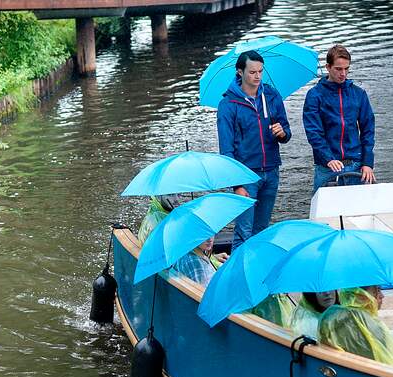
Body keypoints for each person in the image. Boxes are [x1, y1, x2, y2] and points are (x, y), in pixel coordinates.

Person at [217, 50, 292, 250]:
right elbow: (226, 150)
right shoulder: (227, 105)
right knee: (243, 232)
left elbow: (286, 132)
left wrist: (282, 132)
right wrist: (237, 185)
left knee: (262, 230)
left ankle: (257, 268)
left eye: (260, 71)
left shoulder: (272, 95)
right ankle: (238, 270)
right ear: (240, 72)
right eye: (252, 72)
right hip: (246, 176)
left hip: (271, 170)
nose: (257, 76)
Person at [303, 45, 376, 195]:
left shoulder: (359, 94)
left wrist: (368, 163)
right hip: (327, 167)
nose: (343, 73)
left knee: (359, 209)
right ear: (328, 67)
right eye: (338, 69)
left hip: (356, 165)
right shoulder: (314, 95)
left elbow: (368, 129)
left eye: (346, 69)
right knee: (326, 211)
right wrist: (328, 158)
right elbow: (314, 132)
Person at [317, 287, 393, 371]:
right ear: (361, 295)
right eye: (377, 291)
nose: (382, 296)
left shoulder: (330, 316)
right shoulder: (369, 324)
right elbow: (391, 365)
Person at [137, 194, 216, 286]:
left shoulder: (177, 225)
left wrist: (213, 258)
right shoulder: (156, 222)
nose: (176, 199)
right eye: (170, 195)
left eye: (178, 194)